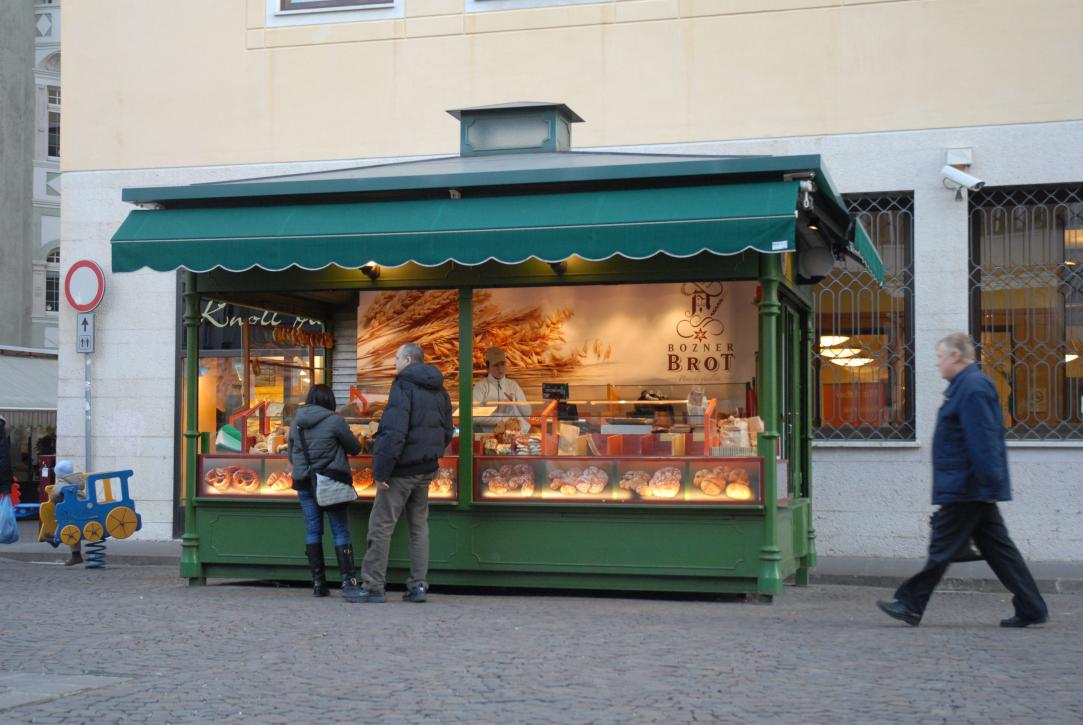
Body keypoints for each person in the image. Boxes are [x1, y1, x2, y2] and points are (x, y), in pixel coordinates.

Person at [877, 332, 1049, 628]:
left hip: (967, 487)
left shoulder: (972, 388)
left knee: (942, 548)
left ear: (955, 356)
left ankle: (911, 603)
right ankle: (1032, 606)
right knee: (999, 550)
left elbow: (983, 439)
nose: (938, 363)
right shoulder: (966, 387)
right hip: (971, 485)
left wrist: (989, 484)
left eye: (940, 357)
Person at [357, 342, 453, 603]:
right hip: (426, 469)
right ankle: (418, 586)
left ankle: (373, 586)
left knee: (381, 525)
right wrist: (432, 455)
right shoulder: (439, 389)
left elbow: (393, 432)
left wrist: (381, 471)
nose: (395, 363)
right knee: (419, 527)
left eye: (397, 359)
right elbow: (447, 430)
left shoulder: (403, 386)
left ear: (409, 360)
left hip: (401, 470)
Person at [288, 384, 363, 600]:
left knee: (313, 530)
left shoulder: (297, 423)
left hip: (304, 482)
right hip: (331, 481)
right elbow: (355, 448)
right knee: (340, 530)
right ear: (330, 401)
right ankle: (349, 583)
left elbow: (292, 456)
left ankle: (318, 584)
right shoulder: (335, 421)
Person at [472, 347, 531, 434]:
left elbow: (528, 414)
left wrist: (516, 402)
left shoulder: (513, 385)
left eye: (502, 364)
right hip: (487, 436)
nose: (500, 369)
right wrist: (502, 419)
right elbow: (474, 416)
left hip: (511, 435)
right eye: (496, 365)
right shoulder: (481, 387)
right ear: (488, 367)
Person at [48, 459, 86, 566]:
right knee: (70, 528)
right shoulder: (75, 480)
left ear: (58, 474)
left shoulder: (62, 483)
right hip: (81, 507)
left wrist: (54, 495)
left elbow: (54, 494)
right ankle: (74, 554)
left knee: (68, 526)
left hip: (73, 511)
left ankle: (57, 540)